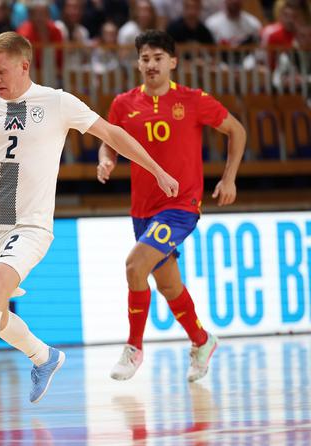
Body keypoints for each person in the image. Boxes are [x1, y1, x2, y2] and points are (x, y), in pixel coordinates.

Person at [0, 31, 179, 411]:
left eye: (2, 71)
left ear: (24, 66)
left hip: (30, 227)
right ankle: (44, 357)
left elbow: (112, 134)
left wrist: (157, 170)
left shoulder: (57, 102)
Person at [97, 30, 246, 383]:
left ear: (172, 62)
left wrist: (229, 178)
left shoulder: (194, 100)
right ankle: (202, 340)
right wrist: (106, 159)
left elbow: (236, 131)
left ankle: (134, 348)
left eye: (158, 58)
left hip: (181, 205)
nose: (151, 65)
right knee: (168, 287)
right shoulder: (123, 103)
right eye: (145, 59)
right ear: (138, 63)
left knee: (135, 266)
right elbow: (108, 141)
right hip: (143, 209)